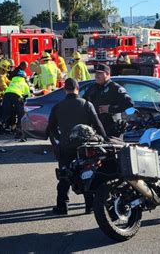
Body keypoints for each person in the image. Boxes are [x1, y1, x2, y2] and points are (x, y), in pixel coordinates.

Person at [46, 78, 107, 215]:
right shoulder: (86, 104)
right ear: (77, 88)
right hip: (85, 147)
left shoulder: (58, 106)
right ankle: (90, 205)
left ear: (64, 90)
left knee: (65, 174)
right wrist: (104, 139)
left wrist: (60, 140)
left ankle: (62, 206)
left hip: (66, 147)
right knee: (87, 173)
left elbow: (51, 128)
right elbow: (97, 124)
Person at [83, 63, 134, 139]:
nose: (96, 75)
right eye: (96, 73)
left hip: (113, 131)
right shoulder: (92, 88)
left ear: (107, 74)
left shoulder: (115, 88)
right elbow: (83, 103)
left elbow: (129, 103)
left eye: (100, 73)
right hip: (96, 130)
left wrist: (110, 109)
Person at [0, 69, 31, 139]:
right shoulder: (24, 83)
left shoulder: (12, 82)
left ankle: (1, 128)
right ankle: (19, 130)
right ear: (24, 77)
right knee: (21, 113)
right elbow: (27, 96)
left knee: (6, 112)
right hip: (16, 96)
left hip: (6, 95)